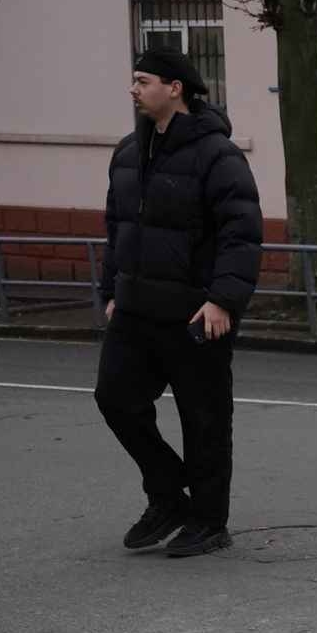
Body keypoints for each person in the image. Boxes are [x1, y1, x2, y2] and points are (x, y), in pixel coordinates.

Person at [94, 47, 262, 559]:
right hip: (136, 308)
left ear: (176, 89)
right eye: (133, 80)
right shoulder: (127, 152)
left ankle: (210, 521)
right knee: (115, 398)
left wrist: (223, 300)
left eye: (143, 80)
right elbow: (117, 229)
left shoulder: (218, 155)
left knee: (204, 419)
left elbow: (242, 232)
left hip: (196, 314)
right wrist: (111, 292)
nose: (133, 89)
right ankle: (169, 496)